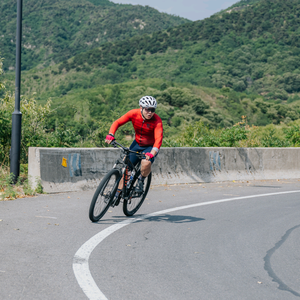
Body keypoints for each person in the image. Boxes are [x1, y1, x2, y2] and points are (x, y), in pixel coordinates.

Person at [105, 96, 163, 197]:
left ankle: (141, 180)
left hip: (149, 147)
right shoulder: (133, 113)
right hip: (136, 144)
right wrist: (111, 134)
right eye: (147, 109)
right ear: (141, 107)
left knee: (146, 162)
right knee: (126, 170)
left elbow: (158, 139)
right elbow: (117, 122)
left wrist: (152, 153)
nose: (150, 112)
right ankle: (117, 194)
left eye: (152, 110)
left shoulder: (157, 120)